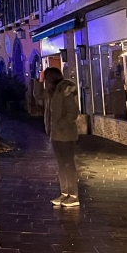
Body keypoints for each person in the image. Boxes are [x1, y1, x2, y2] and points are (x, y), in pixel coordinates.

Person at [43, 66, 81, 208]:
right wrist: (38, 81)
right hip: (55, 134)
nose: (44, 80)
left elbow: (73, 112)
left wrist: (61, 124)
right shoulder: (52, 92)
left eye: (45, 78)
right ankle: (65, 193)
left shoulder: (65, 91)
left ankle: (74, 195)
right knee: (61, 164)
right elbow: (38, 95)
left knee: (68, 164)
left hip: (66, 134)